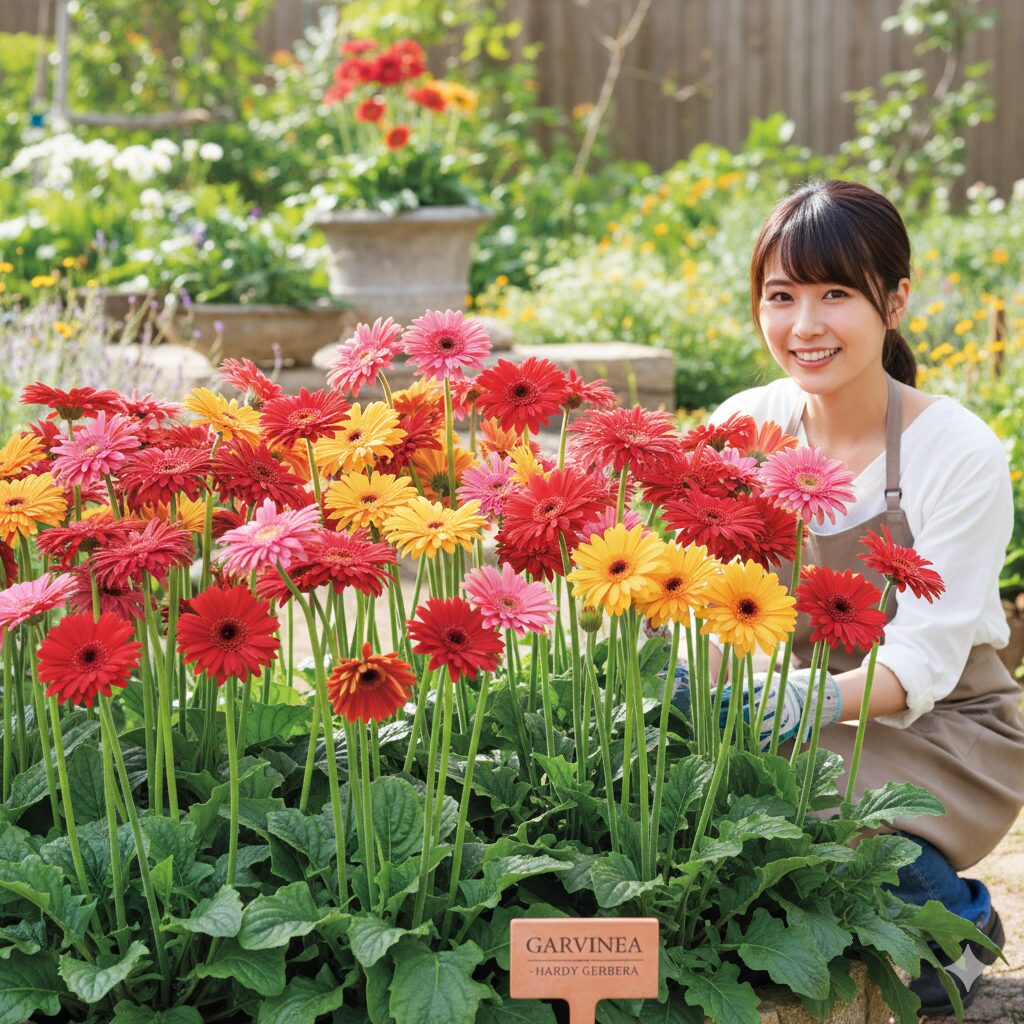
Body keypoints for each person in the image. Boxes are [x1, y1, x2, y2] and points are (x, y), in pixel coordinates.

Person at [696, 179, 1024, 1014]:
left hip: (942, 724)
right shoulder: (745, 427)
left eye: (835, 293)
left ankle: (956, 924)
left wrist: (795, 704)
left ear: (895, 301)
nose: (804, 326)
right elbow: (704, 592)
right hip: (779, 711)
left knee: (790, 778)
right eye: (782, 296)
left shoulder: (957, 451)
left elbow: (923, 661)